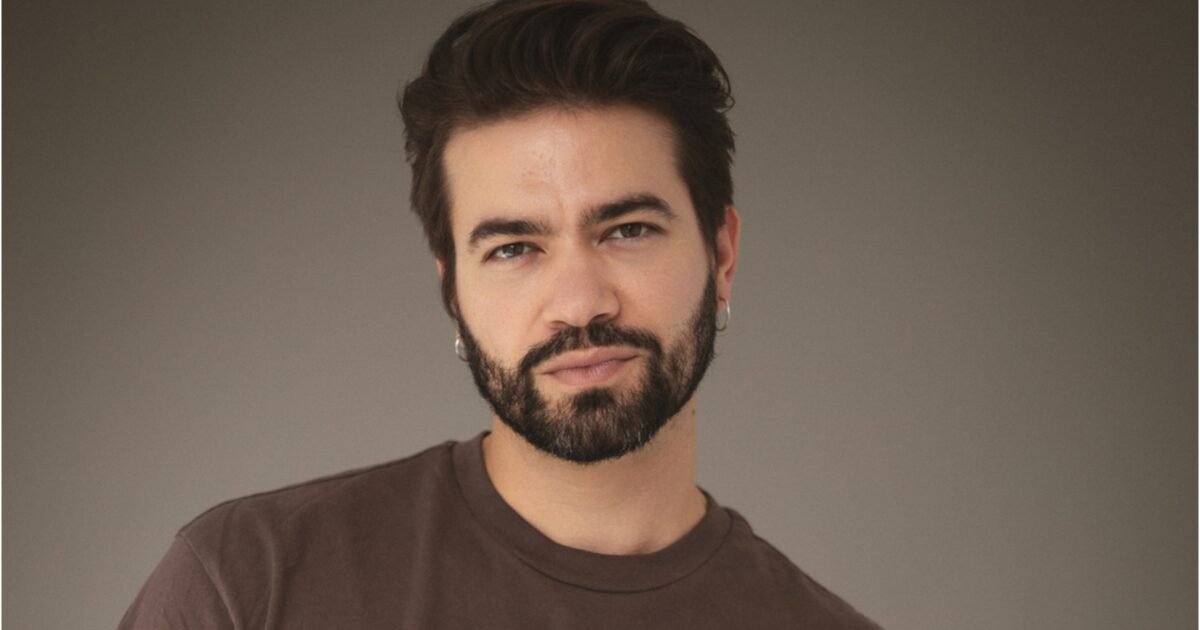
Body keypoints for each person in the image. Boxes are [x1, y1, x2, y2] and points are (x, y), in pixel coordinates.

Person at [119, 1, 883, 628]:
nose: (579, 304)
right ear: (453, 292)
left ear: (722, 254)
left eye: (627, 231)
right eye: (515, 248)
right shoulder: (248, 585)